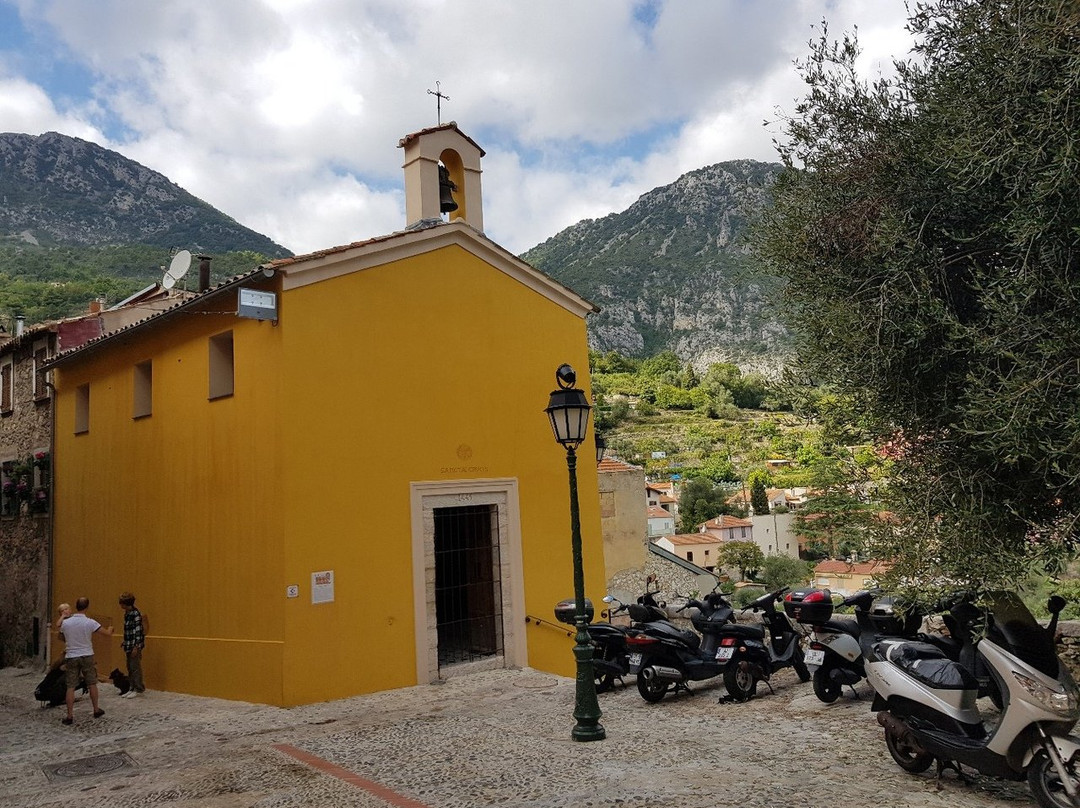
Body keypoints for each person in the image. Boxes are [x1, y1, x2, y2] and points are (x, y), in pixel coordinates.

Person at [60, 596, 113, 725]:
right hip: (87, 654)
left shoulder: (66, 623)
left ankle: (69, 715)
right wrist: (110, 629)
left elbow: (62, 635)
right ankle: (96, 709)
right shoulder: (90, 622)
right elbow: (106, 633)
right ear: (87, 607)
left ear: (76, 606)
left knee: (70, 686)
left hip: (72, 655)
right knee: (92, 683)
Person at [118, 591, 145, 698]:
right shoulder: (127, 614)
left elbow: (138, 631)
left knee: (135, 667)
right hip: (128, 644)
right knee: (129, 666)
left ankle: (139, 688)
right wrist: (125, 641)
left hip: (134, 645)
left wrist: (136, 646)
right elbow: (129, 630)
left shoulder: (135, 614)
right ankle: (132, 687)